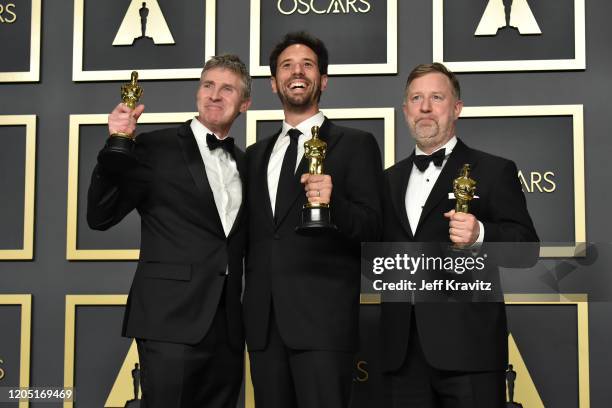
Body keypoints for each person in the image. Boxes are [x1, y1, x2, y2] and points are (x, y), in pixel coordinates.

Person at [87, 54, 251, 408]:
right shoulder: (152, 148)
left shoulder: (247, 163)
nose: (214, 95)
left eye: (227, 89)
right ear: (197, 93)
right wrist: (115, 144)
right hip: (168, 323)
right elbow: (100, 216)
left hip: (227, 331)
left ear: (245, 104)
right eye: (208, 86)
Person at [380, 63, 538, 407]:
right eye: (416, 98)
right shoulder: (386, 180)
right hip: (401, 355)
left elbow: (527, 250)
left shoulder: (495, 170)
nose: (425, 107)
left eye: (436, 97)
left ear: (457, 108)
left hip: (471, 353)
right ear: (405, 109)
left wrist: (481, 234)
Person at [243, 31, 383, 408]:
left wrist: (333, 204)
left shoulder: (356, 144)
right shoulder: (254, 156)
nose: (297, 72)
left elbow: (373, 228)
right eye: (286, 66)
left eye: (307, 64)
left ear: (323, 80)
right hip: (263, 328)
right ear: (274, 83)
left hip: (323, 326)